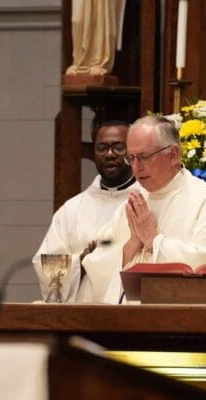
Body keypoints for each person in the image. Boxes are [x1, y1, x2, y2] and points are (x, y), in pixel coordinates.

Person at [81, 115, 206, 303]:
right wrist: (133, 244)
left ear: (173, 154)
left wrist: (153, 240)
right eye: (131, 158)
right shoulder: (132, 204)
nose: (135, 167)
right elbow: (96, 266)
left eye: (143, 157)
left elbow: (203, 267)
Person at [32, 120, 138, 302]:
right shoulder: (72, 210)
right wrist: (82, 261)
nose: (110, 154)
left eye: (119, 147)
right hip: (83, 314)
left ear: (132, 151)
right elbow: (45, 264)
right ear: (93, 153)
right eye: (102, 148)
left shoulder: (146, 201)